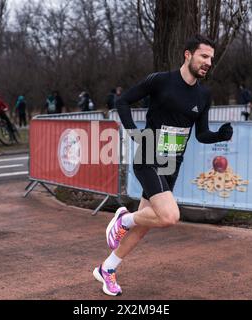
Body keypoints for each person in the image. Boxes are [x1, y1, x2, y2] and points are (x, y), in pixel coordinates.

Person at [93, 34, 233, 296]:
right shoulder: (161, 81)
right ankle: (124, 218)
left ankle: (107, 268)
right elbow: (122, 101)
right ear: (188, 54)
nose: (208, 63)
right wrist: (135, 133)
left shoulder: (204, 95)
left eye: (211, 59)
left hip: (172, 163)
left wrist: (218, 136)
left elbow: (201, 134)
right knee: (170, 216)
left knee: (147, 223)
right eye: (204, 56)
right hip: (148, 156)